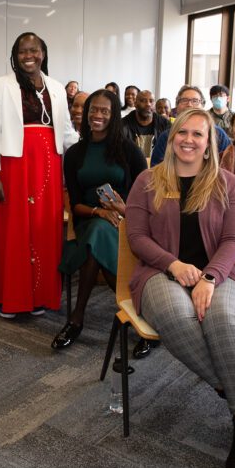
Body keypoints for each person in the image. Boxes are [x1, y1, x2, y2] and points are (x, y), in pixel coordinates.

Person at [126, 108, 235, 468]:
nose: (189, 140)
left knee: (226, 322)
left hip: (220, 274)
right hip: (158, 273)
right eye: (183, 132)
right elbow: (136, 239)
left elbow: (232, 241)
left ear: (210, 144)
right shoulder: (147, 181)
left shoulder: (229, 184)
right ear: (172, 137)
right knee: (178, 317)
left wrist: (209, 278)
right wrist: (174, 265)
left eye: (198, 134)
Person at [0, 32, 79, 318]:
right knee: (14, 231)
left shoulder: (58, 88)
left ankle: (39, 296)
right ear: (15, 54)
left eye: (34, 50)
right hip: (14, 167)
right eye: (23, 51)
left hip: (48, 166)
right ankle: (11, 297)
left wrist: (91, 146)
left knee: (44, 230)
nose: (28, 56)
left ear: (43, 53)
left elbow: (67, 132)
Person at [52, 89, 146, 348]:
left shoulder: (129, 151)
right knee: (96, 231)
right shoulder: (75, 154)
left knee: (98, 236)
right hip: (87, 220)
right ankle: (138, 318)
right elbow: (75, 205)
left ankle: (76, 319)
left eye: (105, 111)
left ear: (114, 115)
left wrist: (120, 208)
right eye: (93, 109)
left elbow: (145, 196)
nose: (98, 115)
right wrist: (99, 211)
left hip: (124, 223)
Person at [150, 85, 230, 166]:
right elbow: (156, 169)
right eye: (184, 100)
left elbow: (228, 166)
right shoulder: (166, 136)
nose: (189, 105)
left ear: (202, 106)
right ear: (176, 106)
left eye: (195, 101)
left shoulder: (217, 134)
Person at [122, 89, 170, 158]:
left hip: (158, 166)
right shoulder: (123, 125)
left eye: (151, 101)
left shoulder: (165, 125)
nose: (148, 104)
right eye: (143, 101)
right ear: (135, 104)